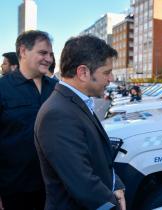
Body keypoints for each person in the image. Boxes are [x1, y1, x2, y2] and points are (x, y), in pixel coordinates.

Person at [34, 35, 126, 210]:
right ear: (83, 72)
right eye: (106, 72)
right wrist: (113, 205)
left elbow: (98, 159)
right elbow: (83, 183)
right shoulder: (58, 114)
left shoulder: (76, 102)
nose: (111, 78)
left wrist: (116, 184)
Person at [0, 30, 56, 210]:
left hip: (55, 187)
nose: (48, 59)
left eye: (50, 54)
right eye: (43, 53)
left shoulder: (57, 89)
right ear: (23, 51)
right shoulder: (3, 88)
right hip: (15, 190)